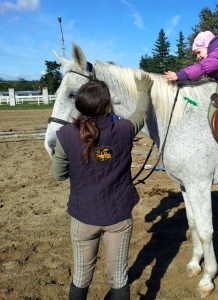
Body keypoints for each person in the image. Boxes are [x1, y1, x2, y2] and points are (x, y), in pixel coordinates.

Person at [51, 74, 153, 300]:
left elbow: (58, 174)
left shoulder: (66, 134)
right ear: (107, 105)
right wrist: (144, 91)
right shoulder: (125, 128)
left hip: (83, 217)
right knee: (118, 277)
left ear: (79, 105)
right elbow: (141, 114)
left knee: (81, 276)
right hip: (118, 216)